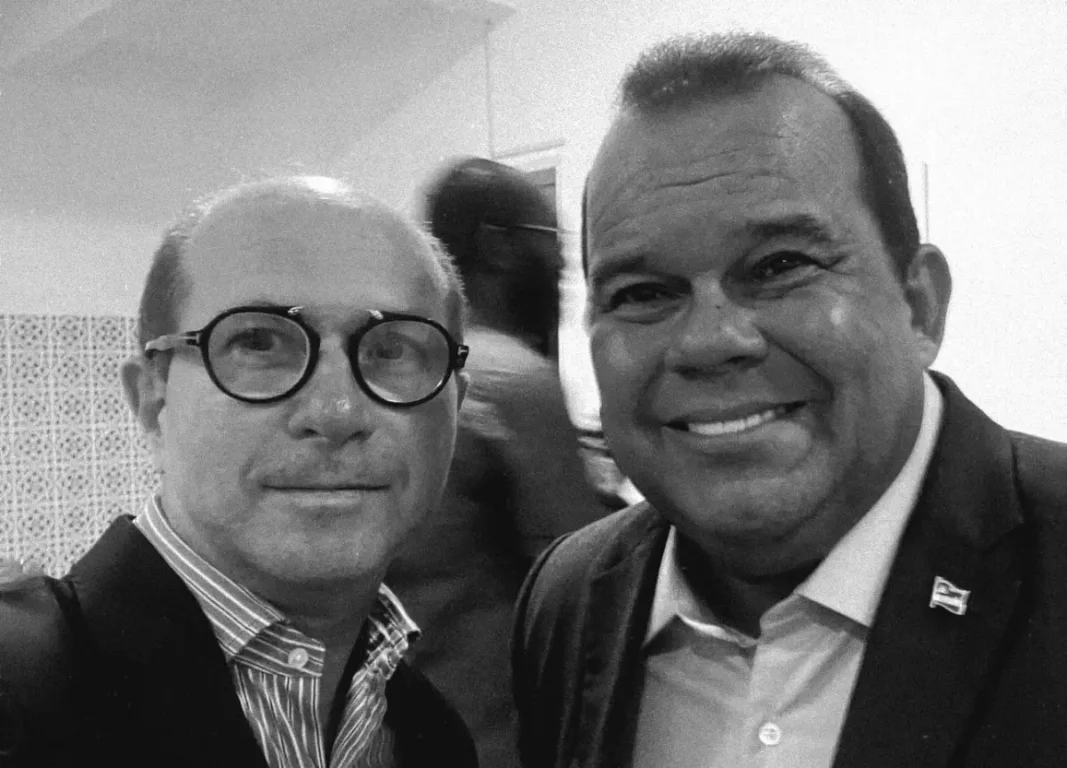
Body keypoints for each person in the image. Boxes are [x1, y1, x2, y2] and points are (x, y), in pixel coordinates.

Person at [512, 32, 1067, 768]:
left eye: (778, 266)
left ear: (918, 306)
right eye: (643, 293)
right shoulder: (569, 600)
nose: (709, 341)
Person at [0, 176, 479, 767]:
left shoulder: (432, 734)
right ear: (152, 399)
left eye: (394, 350)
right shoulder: (17, 695)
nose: (337, 413)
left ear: (456, 405)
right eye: (258, 342)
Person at [386, 157, 608, 768]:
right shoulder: (511, 378)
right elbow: (591, 588)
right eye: (549, 239)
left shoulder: (401, 375)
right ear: (498, 246)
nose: (561, 264)